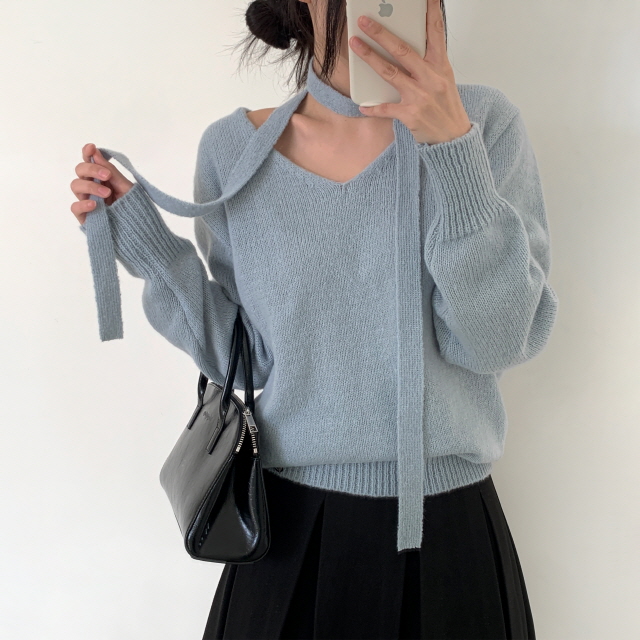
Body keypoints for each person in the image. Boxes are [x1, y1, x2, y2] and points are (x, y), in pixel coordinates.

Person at [70, 0, 558, 637]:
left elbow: (499, 340)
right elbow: (246, 357)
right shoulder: (235, 151)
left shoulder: (484, 126)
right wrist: (152, 251)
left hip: (448, 541)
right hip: (288, 541)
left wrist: (451, 148)